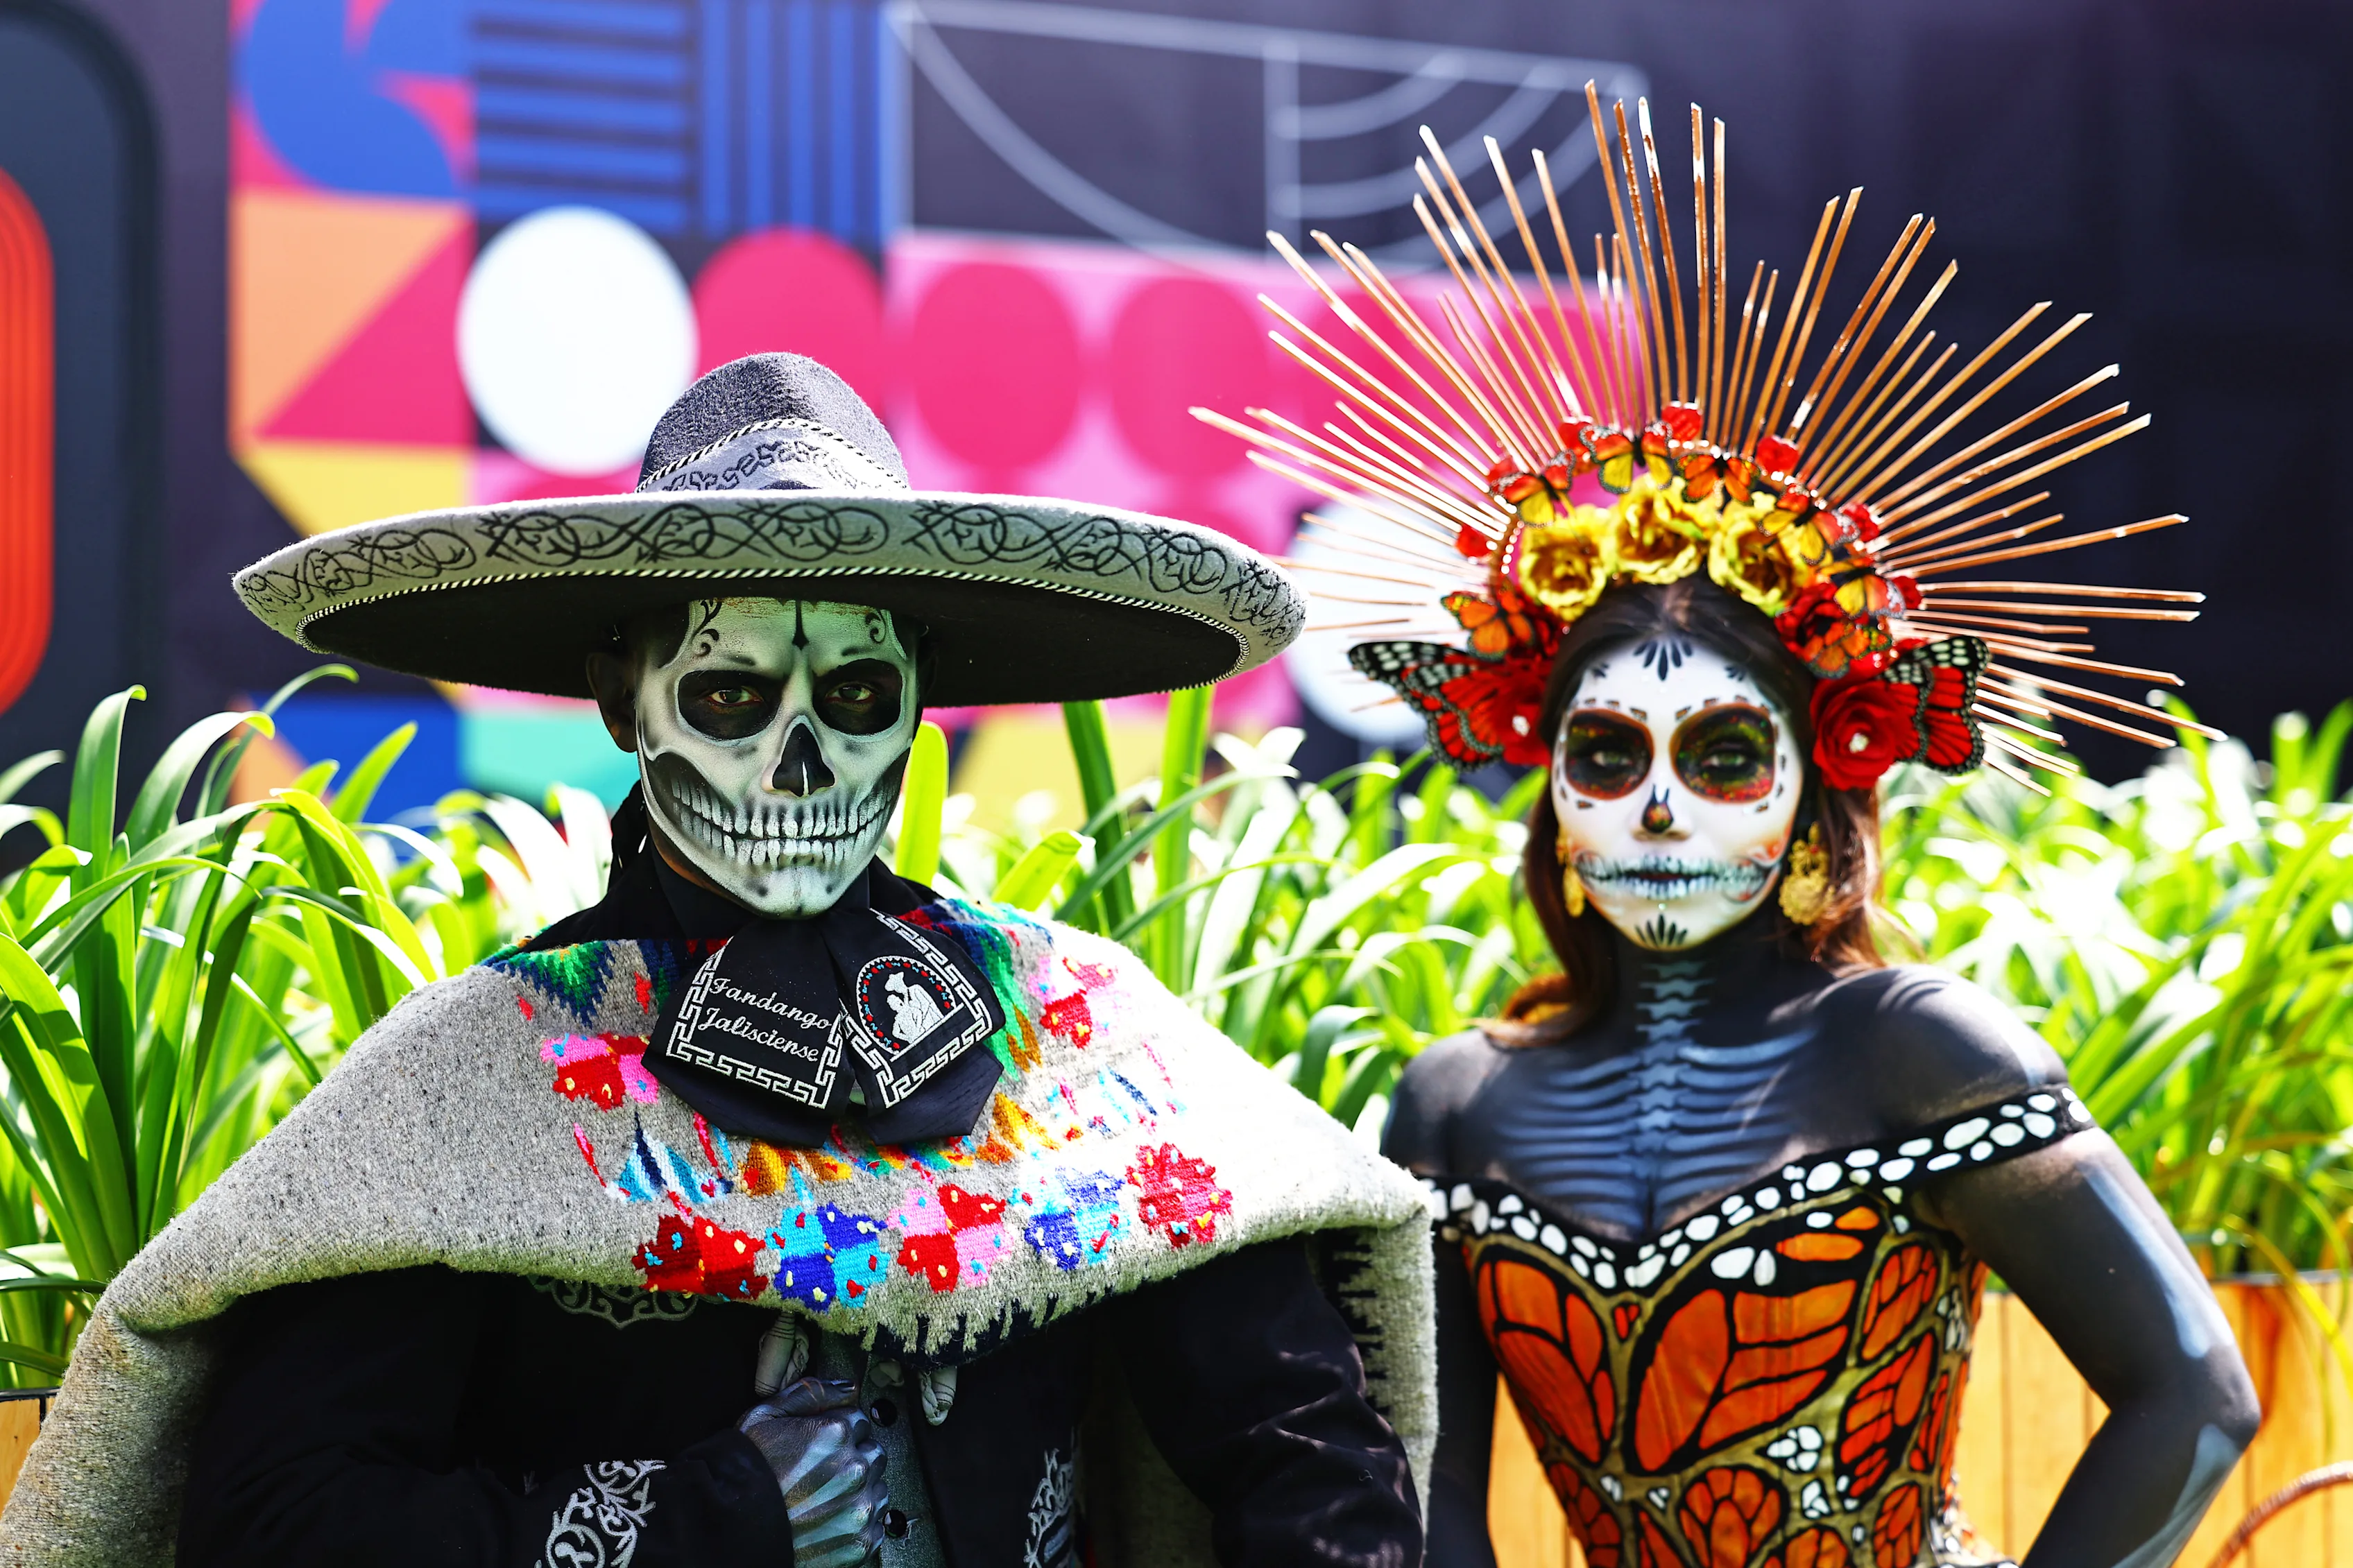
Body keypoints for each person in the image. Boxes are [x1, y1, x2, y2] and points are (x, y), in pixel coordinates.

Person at [0, 354, 1432, 1568]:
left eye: (858, 693)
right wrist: (700, 1514)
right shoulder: (475, 1080)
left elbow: (1299, 1443)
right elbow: (279, 1516)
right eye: (733, 691)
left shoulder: (1076, 1050)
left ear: (919, 706)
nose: (797, 755)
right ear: (629, 700)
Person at [1209, 101, 2259, 1568]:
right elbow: (1430, 1494)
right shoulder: (1451, 1104)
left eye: (1718, 754)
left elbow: (2197, 1396)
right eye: (1605, 751)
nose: (1654, 803)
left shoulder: (1918, 1045)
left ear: (1813, 793)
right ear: (1551, 787)